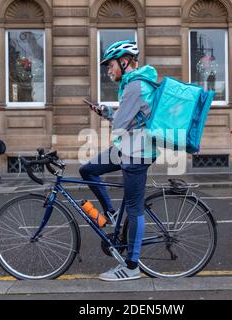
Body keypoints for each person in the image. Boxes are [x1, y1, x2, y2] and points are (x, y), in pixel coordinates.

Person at [79, 40, 159, 281]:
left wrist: (112, 117)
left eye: (110, 65)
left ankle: (132, 266)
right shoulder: (131, 84)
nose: (108, 70)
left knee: (134, 210)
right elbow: (127, 120)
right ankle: (112, 214)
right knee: (88, 170)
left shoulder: (135, 85)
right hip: (127, 147)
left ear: (124, 62)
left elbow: (121, 126)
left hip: (137, 152)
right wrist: (107, 112)